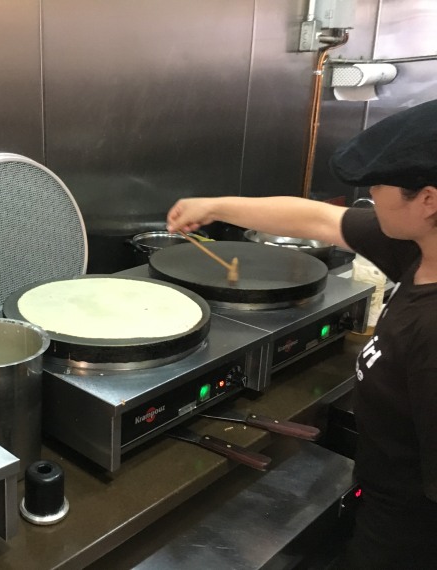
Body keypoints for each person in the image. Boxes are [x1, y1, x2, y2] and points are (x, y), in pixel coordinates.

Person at [166, 99, 437, 570]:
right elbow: (317, 220)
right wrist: (213, 206)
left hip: (407, 532)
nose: (371, 195)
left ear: (429, 199)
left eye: (378, 185)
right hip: (381, 497)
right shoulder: (418, 248)